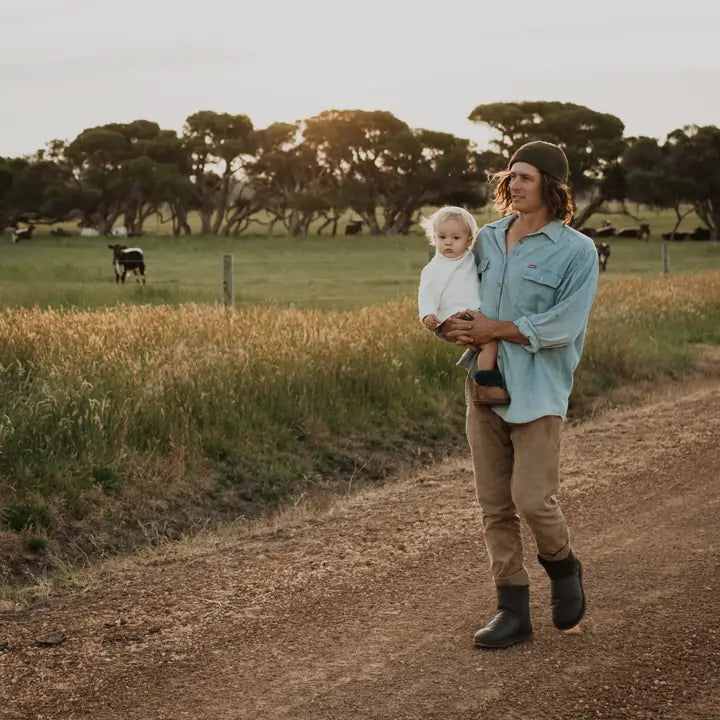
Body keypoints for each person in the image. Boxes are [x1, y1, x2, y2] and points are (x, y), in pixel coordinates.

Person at [441, 141, 600, 649]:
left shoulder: (577, 251)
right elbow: (451, 285)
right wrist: (452, 324)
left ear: (552, 186)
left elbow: (564, 324)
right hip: (483, 385)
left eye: (525, 176)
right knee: (494, 505)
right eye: (510, 175)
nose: (514, 183)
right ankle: (511, 609)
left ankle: (563, 564)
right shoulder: (485, 238)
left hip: (538, 390)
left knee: (531, 498)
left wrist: (498, 327)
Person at [417, 206, 508, 404]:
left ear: (469, 241)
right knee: (490, 344)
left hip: (471, 314)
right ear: (434, 238)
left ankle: (487, 379)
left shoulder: (469, 257)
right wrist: (427, 315)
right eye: (442, 237)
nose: (448, 242)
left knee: (488, 343)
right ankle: (486, 386)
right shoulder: (433, 268)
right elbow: (426, 294)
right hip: (451, 319)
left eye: (455, 238)